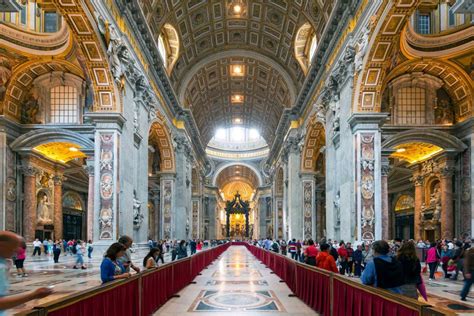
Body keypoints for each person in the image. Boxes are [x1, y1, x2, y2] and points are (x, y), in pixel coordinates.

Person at [0, 231, 53, 314]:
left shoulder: (4, 262)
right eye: (13, 247)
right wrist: (33, 295)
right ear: (2, 245)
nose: (16, 250)